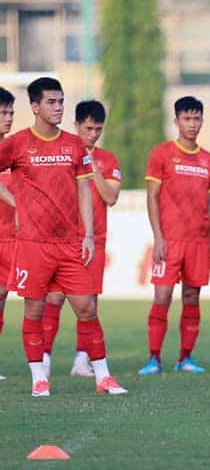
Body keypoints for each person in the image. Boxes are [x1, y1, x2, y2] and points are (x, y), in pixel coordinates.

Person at [0, 77, 126, 396]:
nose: (58, 108)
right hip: (32, 245)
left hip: (70, 244)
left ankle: (103, 377)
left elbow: (84, 188)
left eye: (60, 102)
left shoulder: (73, 144)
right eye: (51, 102)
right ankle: (39, 378)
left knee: (87, 308)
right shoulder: (16, 144)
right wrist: (15, 202)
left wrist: (86, 235)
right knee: (34, 311)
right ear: (35, 107)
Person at [40, 100, 122, 378]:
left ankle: (81, 360)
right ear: (75, 125)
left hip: (93, 240)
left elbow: (110, 197)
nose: (93, 134)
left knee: (89, 303)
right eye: (88, 128)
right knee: (53, 298)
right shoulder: (59, 153)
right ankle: (45, 359)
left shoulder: (108, 159)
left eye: (98, 129)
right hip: (60, 239)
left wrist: (90, 165)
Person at [139, 96, 210, 375]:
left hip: (198, 241)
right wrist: (158, 238)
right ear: (176, 121)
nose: (192, 124)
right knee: (162, 297)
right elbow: (152, 197)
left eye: (196, 118)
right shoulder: (161, 154)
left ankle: (186, 358)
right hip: (170, 240)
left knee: (192, 298)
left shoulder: (208, 159)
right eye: (186, 118)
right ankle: (153, 358)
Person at [0, 86, 15, 382]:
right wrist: (19, 203)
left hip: (13, 237)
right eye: (3, 112)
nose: (8, 117)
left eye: (11, 112)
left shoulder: (16, 148)